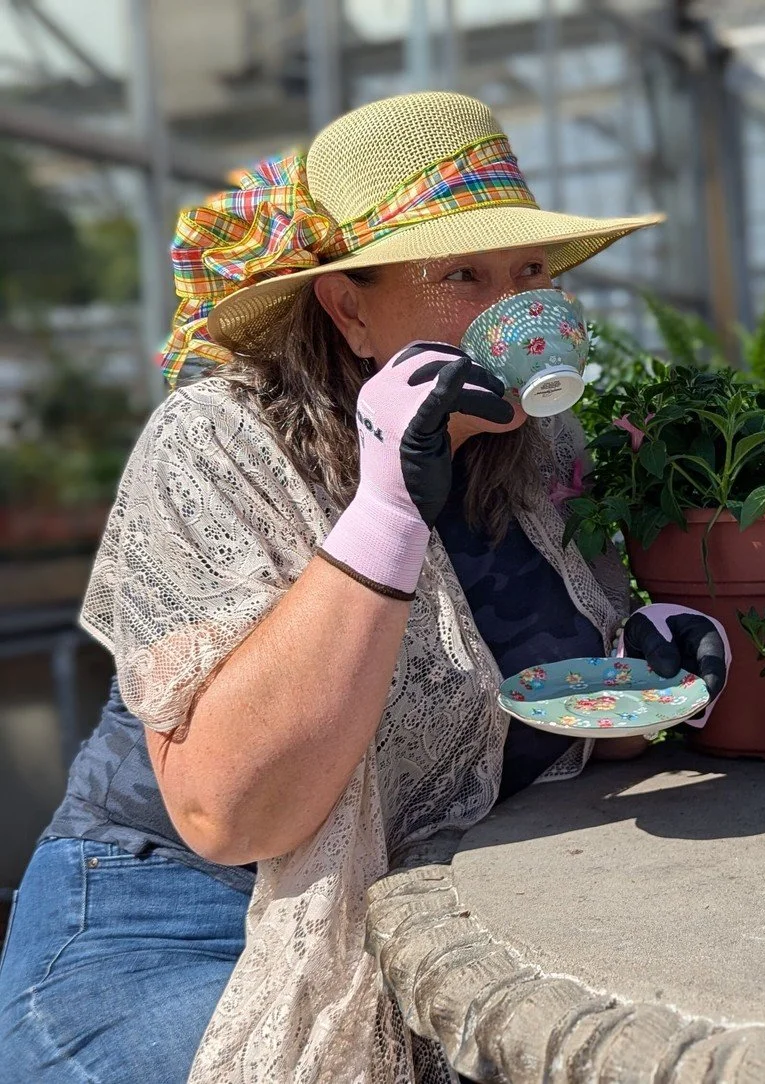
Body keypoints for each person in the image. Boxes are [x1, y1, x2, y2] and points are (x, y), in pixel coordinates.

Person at [0, 91, 727, 1084]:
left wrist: (663, 664)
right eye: (462, 272)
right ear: (349, 307)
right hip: (165, 917)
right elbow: (230, 813)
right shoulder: (216, 442)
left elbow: (523, 710)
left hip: (415, 900)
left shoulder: (541, 449)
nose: (513, 304)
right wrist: (385, 509)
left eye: (528, 271)